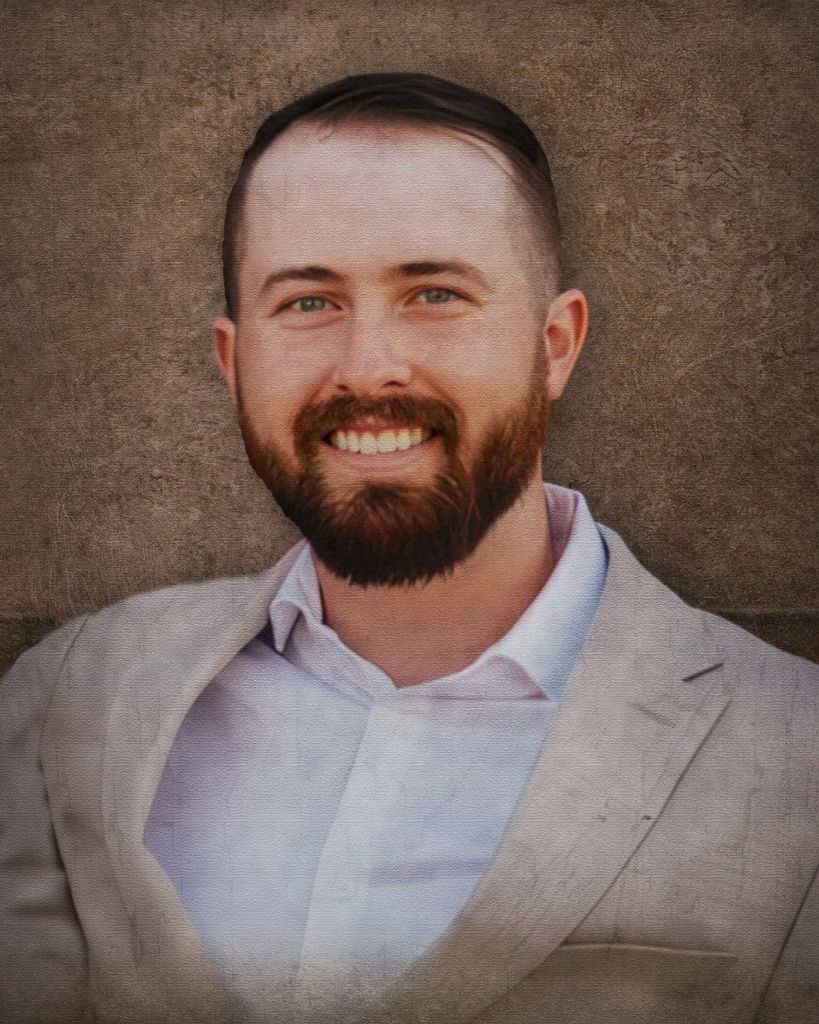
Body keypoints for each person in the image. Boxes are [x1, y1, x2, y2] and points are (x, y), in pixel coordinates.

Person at [1, 72, 816, 1024]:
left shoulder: (795, 753)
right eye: (308, 303)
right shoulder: (71, 696)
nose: (367, 369)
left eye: (434, 293)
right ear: (234, 359)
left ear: (555, 345)